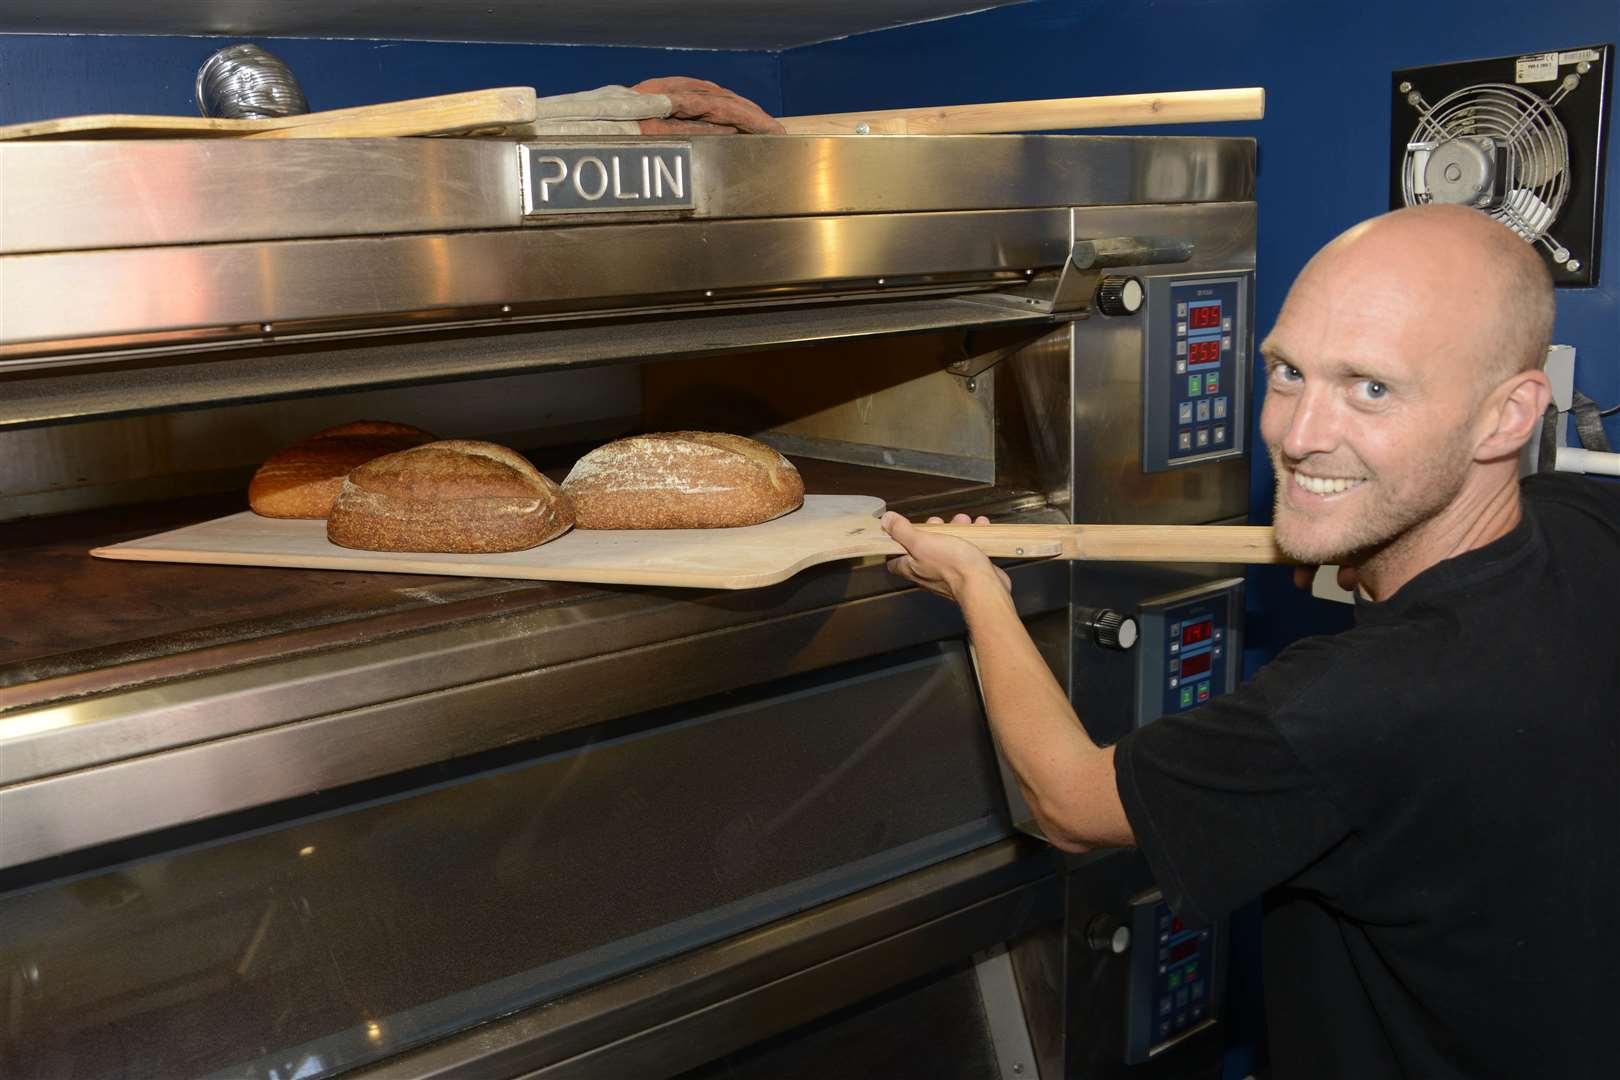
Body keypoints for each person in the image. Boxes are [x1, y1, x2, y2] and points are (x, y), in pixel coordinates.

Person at [880, 205, 1620, 1079]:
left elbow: (1070, 804)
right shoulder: (1587, 523)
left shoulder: (1356, 704)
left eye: (1371, 388)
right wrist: (1358, 562)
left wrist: (979, 590)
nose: (1297, 437)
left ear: (1508, 417)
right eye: (1286, 371)